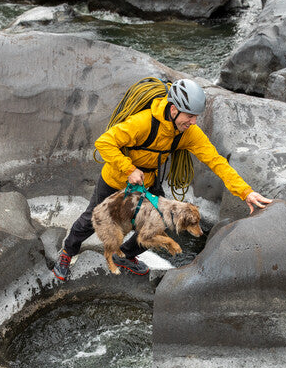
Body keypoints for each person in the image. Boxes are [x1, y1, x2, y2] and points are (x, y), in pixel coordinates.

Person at [52, 79, 272, 281]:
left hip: (148, 183)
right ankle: (67, 253)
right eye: (189, 116)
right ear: (174, 110)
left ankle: (125, 256)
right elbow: (104, 142)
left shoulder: (189, 133)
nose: (194, 122)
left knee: (162, 222)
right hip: (116, 180)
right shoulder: (143, 123)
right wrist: (129, 169)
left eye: (196, 116)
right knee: (92, 220)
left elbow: (216, 161)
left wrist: (246, 192)